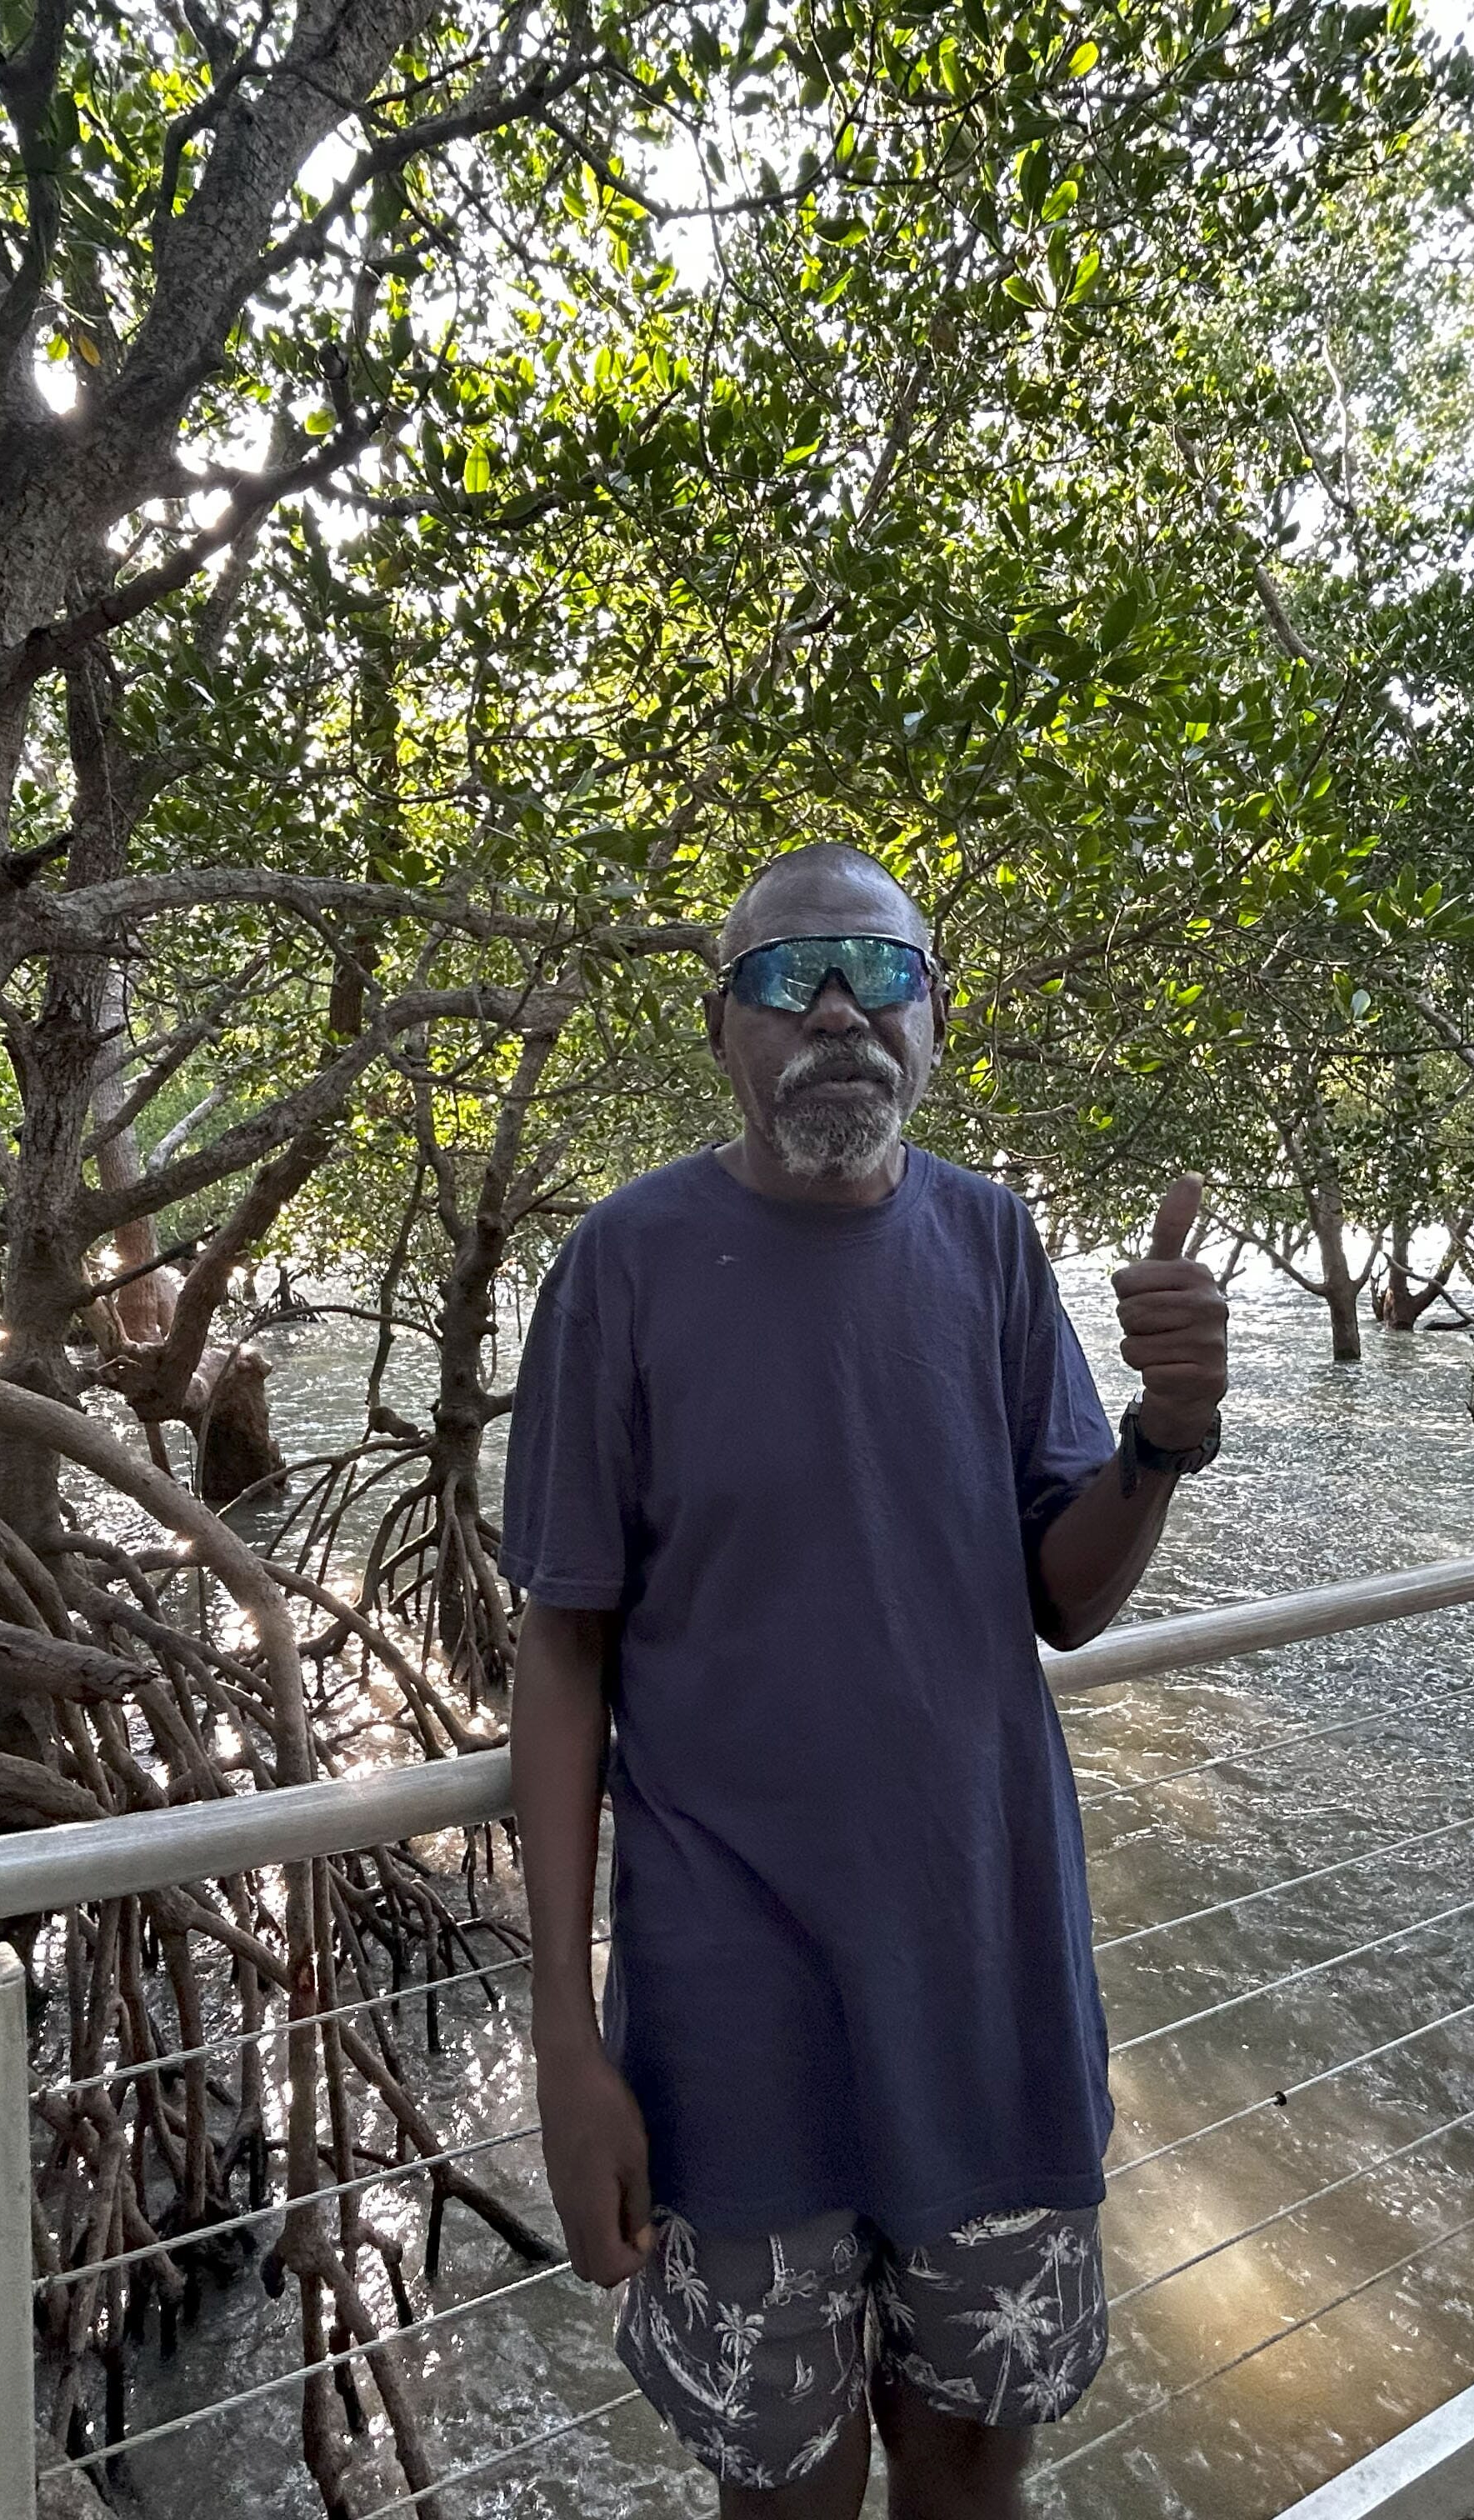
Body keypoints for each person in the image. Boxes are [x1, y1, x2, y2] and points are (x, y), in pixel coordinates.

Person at [502, 844, 1228, 2518]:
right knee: (785, 2475)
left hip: (992, 1978)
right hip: (729, 1999)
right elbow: (564, 1645)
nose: (838, 1007)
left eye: (881, 973)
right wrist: (564, 2033)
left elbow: (1069, 1594)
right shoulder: (620, 1265)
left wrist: (1166, 1437)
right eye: (786, 976)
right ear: (724, 1034)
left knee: (976, 2450)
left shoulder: (988, 1239)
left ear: (936, 1021)